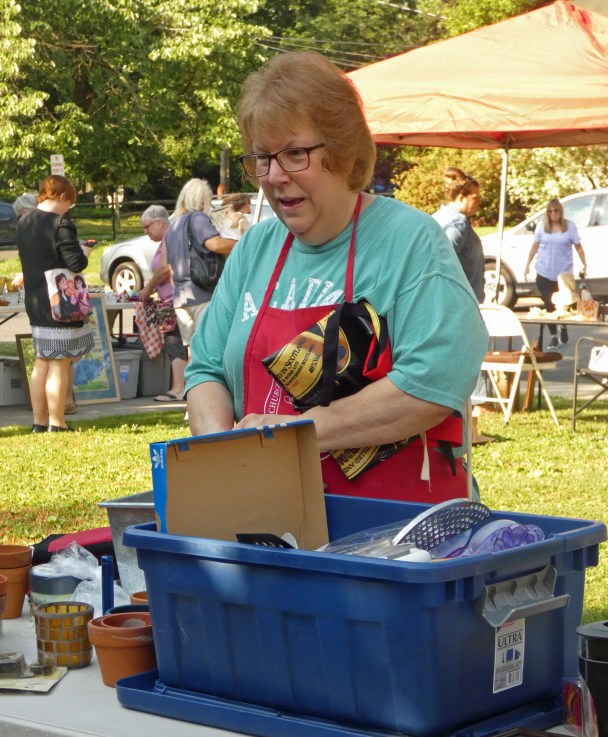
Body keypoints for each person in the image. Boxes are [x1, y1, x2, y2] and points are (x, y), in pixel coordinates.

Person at [184, 51, 488, 503]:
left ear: (344, 151)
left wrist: (297, 433)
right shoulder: (254, 249)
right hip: (276, 519)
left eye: (295, 154)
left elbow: (434, 382)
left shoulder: (410, 242)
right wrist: (224, 452)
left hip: (403, 528)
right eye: (262, 157)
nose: (274, 175)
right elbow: (206, 369)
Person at [16, 174, 94, 432]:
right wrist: (85, 252)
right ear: (61, 197)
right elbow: (75, 263)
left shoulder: (24, 222)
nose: (69, 207)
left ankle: (39, 422)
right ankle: (57, 422)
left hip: (35, 299)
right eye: (69, 202)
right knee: (60, 362)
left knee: (41, 362)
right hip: (60, 301)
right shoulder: (61, 223)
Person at [164, 178, 237, 349]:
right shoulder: (198, 218)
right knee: (209, 348)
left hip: (181, 298)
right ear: (202, 199)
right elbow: (215, 244)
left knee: (193, 351)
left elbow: (169, 267)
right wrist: (242, 242)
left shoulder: (173, 225)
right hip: (202, 295)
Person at [137, 205, 188, 400]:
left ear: (159, 222)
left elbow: (165, 268)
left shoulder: (169, 237)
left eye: (147, 226)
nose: (145, 231)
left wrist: (149, 287)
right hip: (173, 297)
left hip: (173, 299)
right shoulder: (172, 237)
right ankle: (181, 386)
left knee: (173, 341)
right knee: (178, 341)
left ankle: (178, 388)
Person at [525, 198, 587, 349]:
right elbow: (534, 246)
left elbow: (578, 247)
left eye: (556, 211)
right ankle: (553, 336)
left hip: (563, 274)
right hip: (544, 271)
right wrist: (527, 264)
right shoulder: (541, 227)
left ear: (560, 211)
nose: (553, 214)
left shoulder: (569, 227)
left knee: (563, 303)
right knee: (549, 304)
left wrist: (584, 264)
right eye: (550, 211)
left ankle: (563, 326)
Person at [432, 168, 485, 303]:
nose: (479, 201)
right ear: (461, 198)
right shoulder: (458, 222)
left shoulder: (439, 215)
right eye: (475, 198)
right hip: (459, 301)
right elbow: (441, 257)